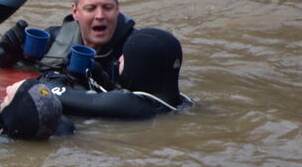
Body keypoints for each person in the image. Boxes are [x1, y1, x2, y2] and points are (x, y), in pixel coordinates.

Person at [0, 0, 136, 90]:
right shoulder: (53, 40)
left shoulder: (136, 49)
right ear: (75, 12)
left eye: (108, 8)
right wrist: (5, 52)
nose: (100, 16)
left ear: (118, 9)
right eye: (91, 8)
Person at [44, 28, 192, 118]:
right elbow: (120, 96)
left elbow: (52, 94)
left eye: (125, 55)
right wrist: (99, 78)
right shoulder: (178, 101)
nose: (119, 59)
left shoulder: (131, 105)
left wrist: (54, 76)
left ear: (138, 66)